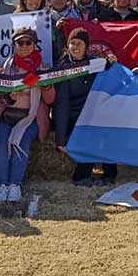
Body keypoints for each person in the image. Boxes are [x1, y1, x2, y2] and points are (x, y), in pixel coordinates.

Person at [0, 28, 55, 202]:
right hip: (7, 116)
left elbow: (50, 100)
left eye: (28, 43)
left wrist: (47, 86)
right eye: (20, 43)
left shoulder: (43, 69)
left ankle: (15, 185)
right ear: (14, 45)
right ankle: (2, 185)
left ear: (34, 45)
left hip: (30, 118)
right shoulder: (5, 68)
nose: (24, 46)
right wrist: (7, 98)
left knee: (22, 144)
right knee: (1, 144)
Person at [54, 27, 114, 186]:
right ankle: (82, 176)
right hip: (72, 113)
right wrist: (60, 138)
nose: (75, 47)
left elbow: (111, 74)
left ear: (86, 46)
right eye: (72, 43)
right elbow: (61, 104)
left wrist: (111, 63)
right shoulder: (63, 68)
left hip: (91, 109)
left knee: (107, 128)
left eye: (79, 43)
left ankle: (110, 174)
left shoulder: (94, 63)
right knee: (88, 132)